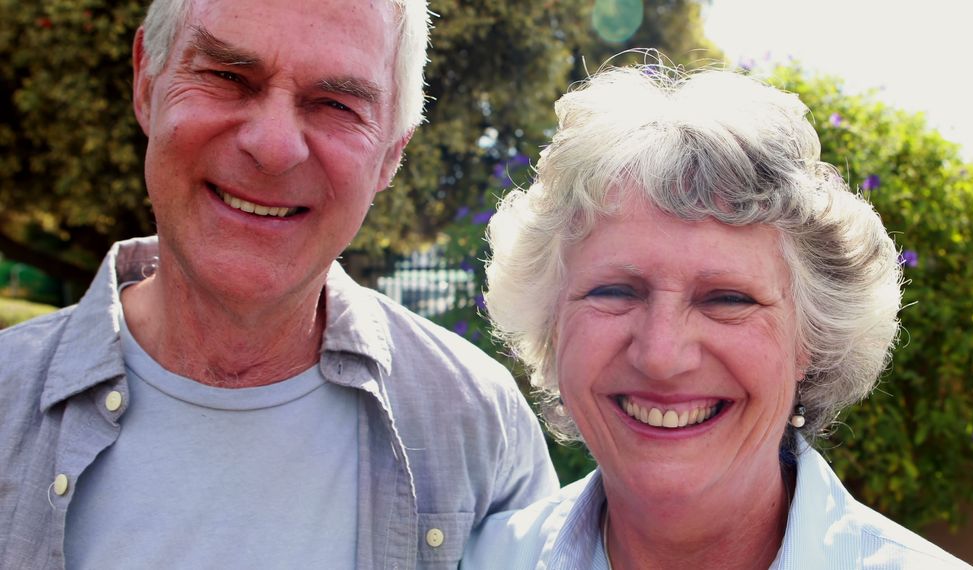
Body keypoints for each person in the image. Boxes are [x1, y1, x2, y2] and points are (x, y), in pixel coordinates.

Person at [0, 0, 557, 567]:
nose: (272, 147)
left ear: (392, 153)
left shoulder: (479, 426)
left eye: (336, 104)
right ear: (147, 81)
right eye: (227, 77)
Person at [462, 65, 973, 569]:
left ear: (810, 340)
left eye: (727, 299)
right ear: (551, 326)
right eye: (616, 292)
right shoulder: (482, 561)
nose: (662, 355)